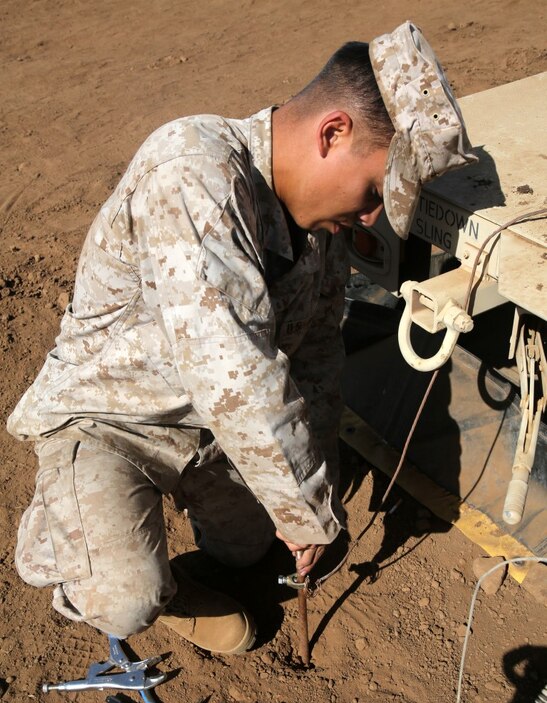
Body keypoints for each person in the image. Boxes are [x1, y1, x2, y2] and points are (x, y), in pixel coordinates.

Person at [7, 21, 476, 654]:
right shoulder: (193, 169)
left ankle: (169, 536)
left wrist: (319, 487)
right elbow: (231, 366)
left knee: (247, 547)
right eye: (373, 192)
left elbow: (315, 361)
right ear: (332, 132)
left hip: (209, 427)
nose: (371, 217)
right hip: (112, 418)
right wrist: (303, 508)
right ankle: (82, 550)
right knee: (124, 598)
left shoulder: (322, 232)